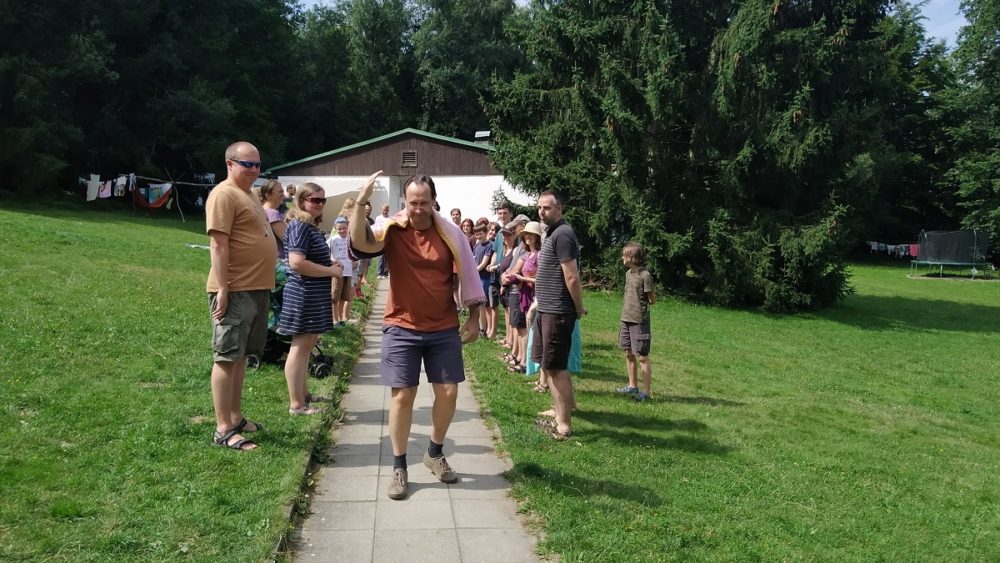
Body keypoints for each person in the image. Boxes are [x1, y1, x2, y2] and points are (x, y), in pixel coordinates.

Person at [351, 170, 485, 501]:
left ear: (434, 201)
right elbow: (360, 243)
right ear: (405, 202)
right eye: (413, 202)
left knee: (449, 393)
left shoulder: (450, 234)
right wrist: (361, 202)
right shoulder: (393, 230)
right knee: (402, 395)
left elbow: (469, 274)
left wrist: (474, 317)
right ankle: (399, 466)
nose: (418, 209)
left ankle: (434, 452)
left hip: (442, 326)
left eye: (424, 202)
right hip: (401, 325)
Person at [206, 141, 277, 451]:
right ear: (230, 164)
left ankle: (235, 416)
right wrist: (223, 288)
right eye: (247, 164)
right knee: (227, 358)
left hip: (256, 288)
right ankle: (223, 428)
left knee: (241, 357)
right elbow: (218, 244)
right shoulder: (223, 194)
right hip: (234, 289)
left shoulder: (248, 194)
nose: (254, 170)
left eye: (258, 165)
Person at [280, 183, 344, 415]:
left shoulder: (308, 225)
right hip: (303, 293)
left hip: (312, 293)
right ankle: (296, 404)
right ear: (301, 201)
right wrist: (330, 271)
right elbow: (297, 263)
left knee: (307, 347)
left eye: (323, 200)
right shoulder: (300, 225)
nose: (320, 204)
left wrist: (329, 264)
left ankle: (304, 394)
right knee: (300, 347)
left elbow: (308, 258)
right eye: (315, 200)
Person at [531, 191, 586, 441]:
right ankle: (563, 408)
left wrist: (578, 307)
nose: (541, 212)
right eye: (539, 208)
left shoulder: (563, 234)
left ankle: (563, 425)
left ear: (559, 209)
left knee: (555, 367)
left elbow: (571, 276)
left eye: (547, 208)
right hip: (547, 309)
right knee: (550, 364)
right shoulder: (551, 233)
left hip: (558, 311)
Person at [614, 242, 655, 401]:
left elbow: (652, 299)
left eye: (624, 255)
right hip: (626, 319)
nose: (622, 257)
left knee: (642, 356)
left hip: (639, 321)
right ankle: (632, 386)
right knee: (628, 353)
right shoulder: (628, 274)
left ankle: (646, 392)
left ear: (632, 257)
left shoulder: (645, 275)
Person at [506, 221, 542, 373]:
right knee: (523, 329)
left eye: (531, 234)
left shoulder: (540, 255)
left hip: (536, 296)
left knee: (529, 329)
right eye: (526, 234)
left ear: (537, 237)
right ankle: (523, 360)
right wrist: (513, 278)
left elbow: (541, 280)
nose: (528, 237)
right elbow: (515, 271)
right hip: (524, 294)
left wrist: (522, 279)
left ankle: (528, 363)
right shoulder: (527, 255)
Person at [328, 216, 353, 326]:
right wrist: (334, 262)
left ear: (347, 227)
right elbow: (327, 254)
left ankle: (341, 318)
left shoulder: (350, 239)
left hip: (348, 270)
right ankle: (335, 319)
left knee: (344, 296)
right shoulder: (333, 239)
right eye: (339, 228)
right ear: (335, 228)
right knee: (335, 296)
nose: (342, 230)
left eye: (344, 228)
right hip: (337, 271)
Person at [471, 223, 494, 338]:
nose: (478, 236)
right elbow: (473, 259)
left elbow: (484, 263)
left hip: (485, 278)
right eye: (476, 234)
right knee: (479, 305)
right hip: (477, 278)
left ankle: (486, 329)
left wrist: (473, 272)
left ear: (485, 233)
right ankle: (481, 328)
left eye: (480, 234)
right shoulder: (477, 246)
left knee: (485, 305)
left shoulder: (489, 245)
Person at [258, 179, 287, 260]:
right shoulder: (272, 213)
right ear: (268, 196)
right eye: (280, 192)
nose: (283, 195)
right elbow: (288, 239)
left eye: (282, 191)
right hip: (280, 260)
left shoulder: (261, 211)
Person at [374, 204, 391, 278]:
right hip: (380, 239)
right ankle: (380, 273)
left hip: (388, 239)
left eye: (386, 210)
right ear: (381, 210)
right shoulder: (378, 218)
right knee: (380, 256)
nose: (385, 212)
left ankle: (386, 272)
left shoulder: (391, 218)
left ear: (388, 210)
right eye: (384, 210)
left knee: (388, 256)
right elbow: (375, 228)